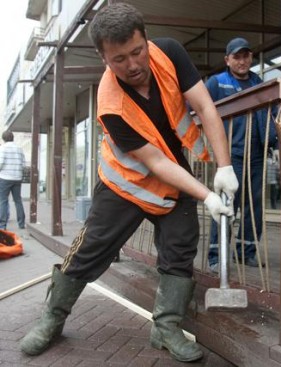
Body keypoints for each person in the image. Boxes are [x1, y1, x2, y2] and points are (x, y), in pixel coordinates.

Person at [20, 3, 238, 363]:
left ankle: (165, 328)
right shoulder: (109, 104)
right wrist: (206, 196)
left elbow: (206, 107)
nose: (133, 65)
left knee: (181, 246)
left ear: (146, 40)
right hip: (126, 184)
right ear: (104, 58)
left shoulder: (169, 52)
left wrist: (224, 166)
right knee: (89, 250)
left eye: (137, 51)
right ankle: (52, 318)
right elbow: (152, 161)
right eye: (119, 59)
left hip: (174, 174)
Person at [206, 37, 278, 271]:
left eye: (246, 56)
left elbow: (274, 115)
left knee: (254, 206)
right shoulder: (217, 83)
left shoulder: (259, 83)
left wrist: (275, 143)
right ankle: (217, 256)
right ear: (227, 60)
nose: (242, 61)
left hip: (256, 156)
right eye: (237, 56)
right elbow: (198, 109)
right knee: (227, 205)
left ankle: (246, 252)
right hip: (231, 156)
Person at [0, 130, 26, 230]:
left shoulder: (2, 148)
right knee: (18, 200)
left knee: (3, 201)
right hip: (17, 178)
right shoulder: (19, 149)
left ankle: (2, 225)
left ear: (3, 138)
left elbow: (0, 163)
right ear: (12, 138)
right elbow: (23, 165)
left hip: (5, 178)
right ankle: (21, 224)